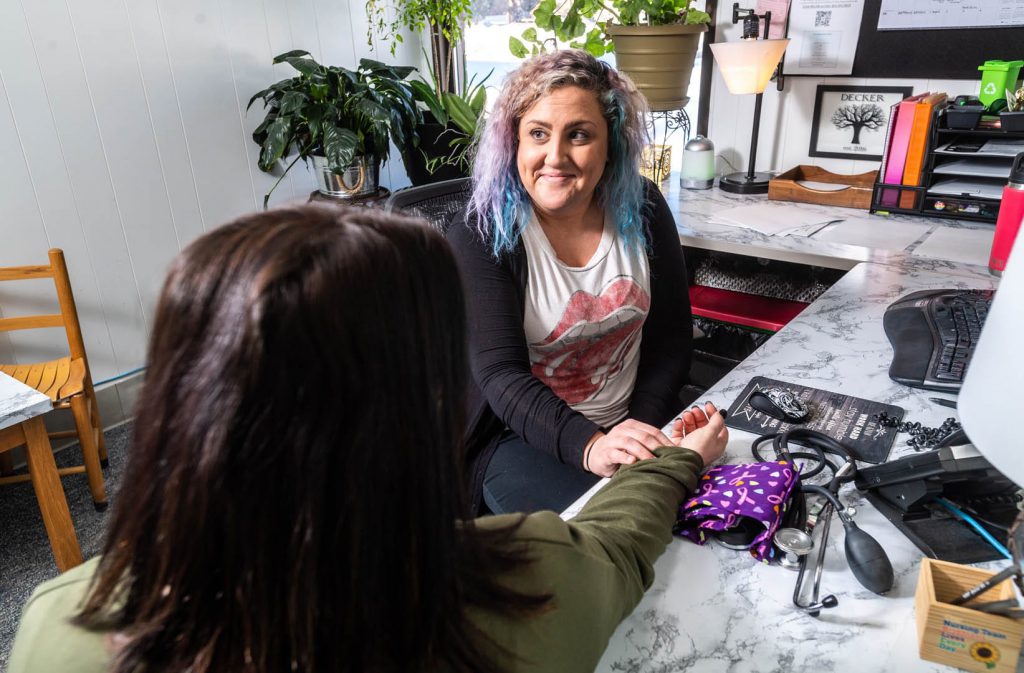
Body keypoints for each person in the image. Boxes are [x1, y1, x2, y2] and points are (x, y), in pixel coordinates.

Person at [9, 205, 727, 673]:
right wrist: (672, 464)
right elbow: (611, 544)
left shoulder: (58, 623)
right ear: (423, 408)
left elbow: (665, 340)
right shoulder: (526, 588)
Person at [448, 49, 696, 515]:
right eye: (537, 134)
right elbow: (500, 376)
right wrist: (592, 446)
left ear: (611, 146)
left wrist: (633, 435)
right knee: (617, 546)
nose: (554, 157)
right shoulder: (481, 232)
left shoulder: (642, 206)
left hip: (634, 422)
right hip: (525, 437)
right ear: (514, 143)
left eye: (579, 134)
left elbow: (671, 341)